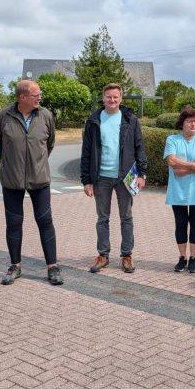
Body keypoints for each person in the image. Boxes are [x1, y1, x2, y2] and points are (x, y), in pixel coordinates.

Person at [0, 79, 63, 287]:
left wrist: (36, 164)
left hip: (39, 180)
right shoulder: (2, 117)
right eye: (35, 95)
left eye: (39, 94)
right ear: (22, 97)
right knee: (13, 224)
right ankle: (15, 266)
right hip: (11, 180)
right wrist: (11, 164)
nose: (39, 97)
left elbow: (49, 144)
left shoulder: (46, 115)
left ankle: (53, 266)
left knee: (45, 222)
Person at [81, 83, 147, 274]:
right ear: (103, 98)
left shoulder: (130, 119)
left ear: (121, 99)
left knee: (126, 217)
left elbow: (139, 147)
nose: (112, 100)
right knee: (102, 218)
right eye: (108, 97)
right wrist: (87, 180)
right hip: (101, 178)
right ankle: (103, 255)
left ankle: (126, 255)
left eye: (115, 97)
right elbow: (86, 152)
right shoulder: (93, 120)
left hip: (125, 177)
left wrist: (141, 174)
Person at [163, 107, 195, 273]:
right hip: (178, 191)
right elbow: (171, 161)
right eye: (190, 121)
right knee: (181, 224)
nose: (193, 124)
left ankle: (193, 257)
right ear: (182, 123)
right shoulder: (172, 139)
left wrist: (182, 167)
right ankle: (182, 257)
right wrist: (193, 166)